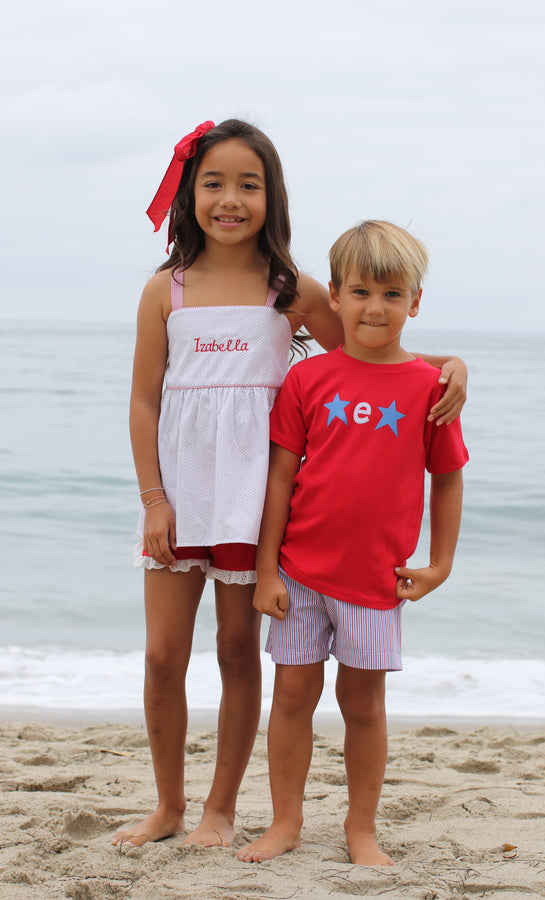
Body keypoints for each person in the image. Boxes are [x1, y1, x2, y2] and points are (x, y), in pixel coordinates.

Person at [112, 121, 467, 850]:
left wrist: (447, 365)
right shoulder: (165, 290)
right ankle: (168, 805)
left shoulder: (293, 289)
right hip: (180, 498)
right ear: (190, 193)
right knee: (161, 656)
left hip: (256, 501)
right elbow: (145, 398)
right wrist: (153, 498)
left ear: (272, 197)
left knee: (239, 653)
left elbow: (370, 352)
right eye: (214, 183)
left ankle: (219, 811)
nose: (230, 199)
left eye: (249, 184)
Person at [237, 220, 469, 866]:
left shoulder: (430, 389)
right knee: (291, 698)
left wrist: (441, 565)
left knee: (363, 704)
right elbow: (280, 479)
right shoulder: (308, 380)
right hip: (300, 573)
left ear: (415, 302)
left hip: (375, 579)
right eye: (362, 292)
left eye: (393, 295)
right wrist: (266, 572)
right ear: (334, 296)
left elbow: (447, 480)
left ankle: (360, 828)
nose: (376, 308)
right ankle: (286, 821)